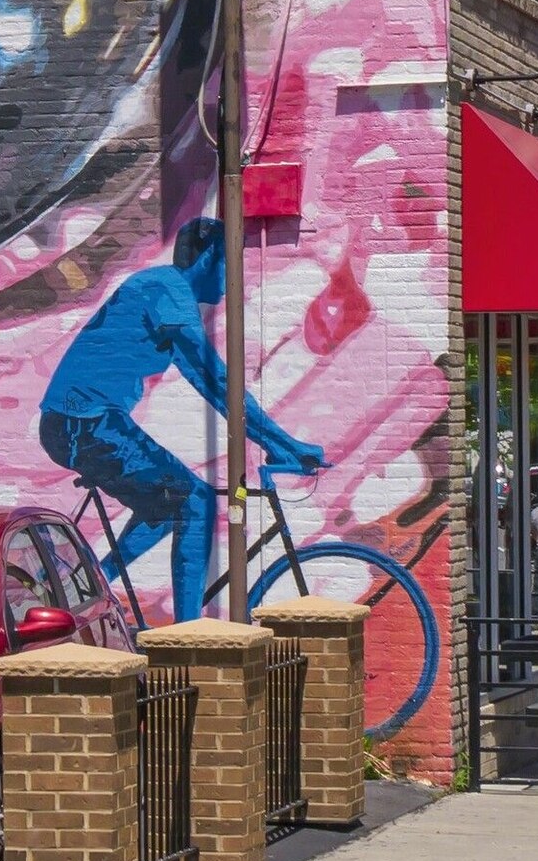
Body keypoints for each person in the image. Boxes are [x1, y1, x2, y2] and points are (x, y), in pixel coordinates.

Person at [37, 218, 325, 622]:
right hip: (83, 424)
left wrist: (278, 444)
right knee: (197, 504)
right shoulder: (167, 293)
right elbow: (219, 383)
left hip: (80, 422)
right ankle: (187, 637)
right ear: (208, 258)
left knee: (169, 505)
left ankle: (92, 585)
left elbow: (214, 388)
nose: (233, 277)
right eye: (228, 263)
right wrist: (286, 445)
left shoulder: (162, 290)